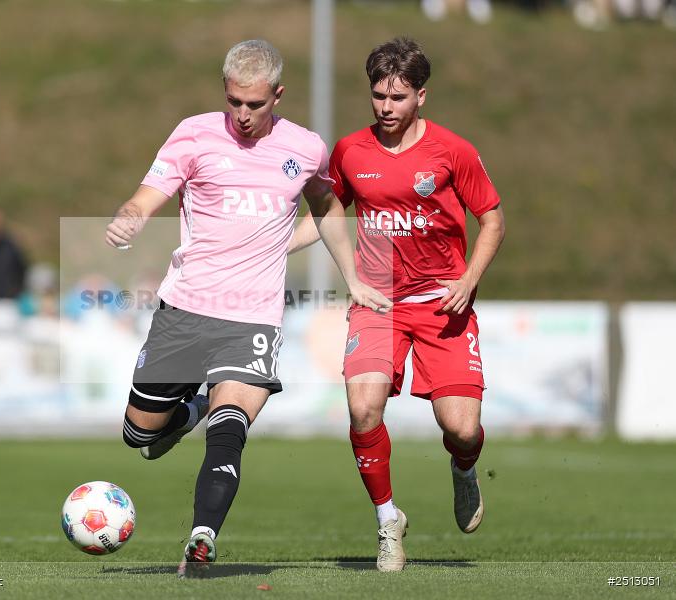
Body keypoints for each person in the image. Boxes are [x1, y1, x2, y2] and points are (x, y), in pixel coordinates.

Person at [105, 39, 391, 577]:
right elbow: (146, 196)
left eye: (255, 104)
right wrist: (130, 218)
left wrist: (353, 278)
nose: (242, 114)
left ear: (277, 96)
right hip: (185, 310)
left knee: (231, 424)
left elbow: (327, 208)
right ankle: (189, 411)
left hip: (253, 317)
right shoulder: (194, 134)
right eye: (234, 101)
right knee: (140, 434)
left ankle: (202, 536)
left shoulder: (305, 148)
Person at [289, 38, 505, 572]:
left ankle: (464, 468)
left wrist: (469, 279)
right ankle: (388, 521)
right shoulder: (350, 151)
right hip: (377, 301)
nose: (386, 107)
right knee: (363, 407)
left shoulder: (453, 151)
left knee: (461, 429)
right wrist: (272, 246)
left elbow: (492, 220)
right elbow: (328, 214)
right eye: (378, 95)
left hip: (443, 305)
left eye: (398, 97)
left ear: (421, 96)